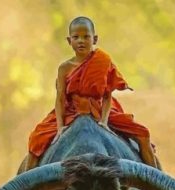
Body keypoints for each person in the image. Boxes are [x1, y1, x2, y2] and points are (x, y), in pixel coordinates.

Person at [26, 16, 156, 170]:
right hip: (70, 111)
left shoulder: (103, 61)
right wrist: (60, 127)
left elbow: (107, 96)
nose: (81, 41)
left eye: (86, 37)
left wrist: (104, 121)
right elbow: (60, 99)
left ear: (94, 39)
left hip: (100, 109)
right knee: (36, 138)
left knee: (143, 134)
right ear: (69, 41)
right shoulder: (64, 68)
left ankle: (158, 184)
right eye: (76, 37)